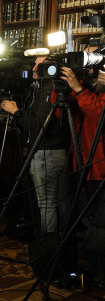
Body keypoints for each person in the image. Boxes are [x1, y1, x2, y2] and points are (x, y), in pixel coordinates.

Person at [0, 56, 69, 234]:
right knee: (48, 202)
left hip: (47, 152)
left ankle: (48, 246)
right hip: (44, 151)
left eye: (39, 64)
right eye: (35, 64)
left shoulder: (51, 90)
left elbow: (39, 126)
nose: (34, 68)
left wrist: (15, 111)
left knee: (47, 203)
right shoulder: (39, 90)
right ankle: (50, 243)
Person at [57, 65, 105, 288]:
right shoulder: (90, 92)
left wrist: (79, 88)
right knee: (87, 224)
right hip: (84, 167)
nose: (97, 72)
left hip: (101, 170)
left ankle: (97, 273)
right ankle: (90, 269)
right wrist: (61, 90)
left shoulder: (96, 95)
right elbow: (60, 114)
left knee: (99, 226)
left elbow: (100, 114)